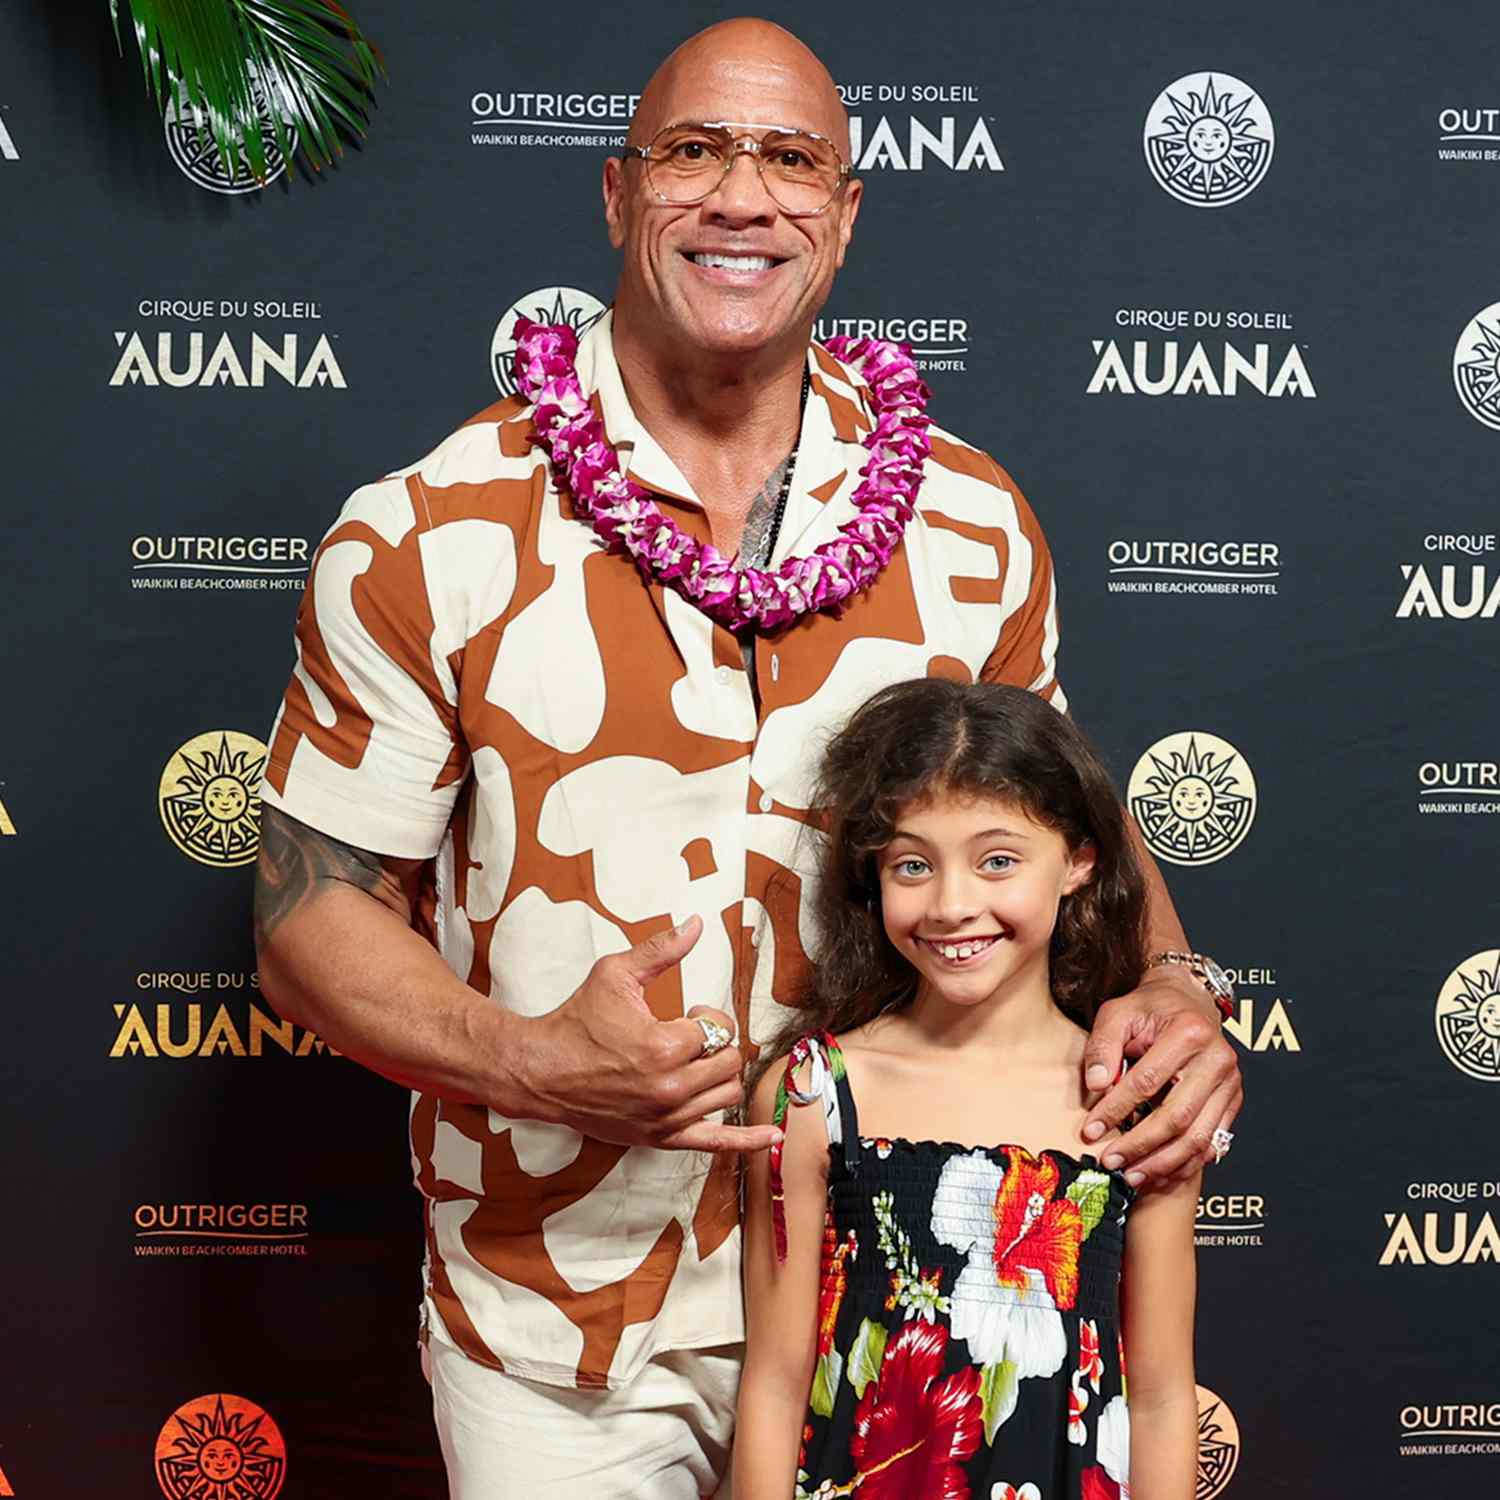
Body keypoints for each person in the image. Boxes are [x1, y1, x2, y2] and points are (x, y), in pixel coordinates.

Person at [252, 17, 1237, 1497]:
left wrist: (1171, 983)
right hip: (560, 1316)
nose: (741, 198)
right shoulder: (427, 528)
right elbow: (304, 917)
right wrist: (533, 1064)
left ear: (844, 216)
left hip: (909, 1307)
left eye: (790, 160)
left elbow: (1060, 824)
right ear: (613, 194)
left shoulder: (970, 524)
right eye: (694, 153)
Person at [735, 679, 1198, 1500]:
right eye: (913, 864)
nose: (953, 905)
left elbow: (1161, 1398)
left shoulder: (1136, 1103)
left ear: (1080, 861)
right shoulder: (812, 1094)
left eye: (997, 860)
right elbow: (775, 1385)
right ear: (871, 876)